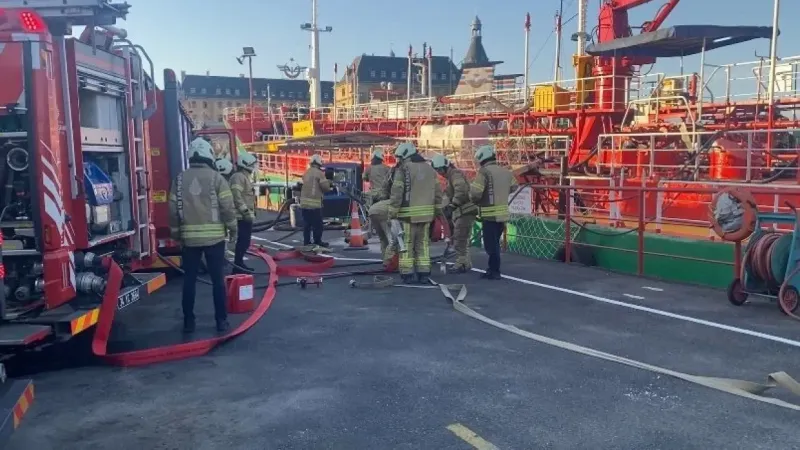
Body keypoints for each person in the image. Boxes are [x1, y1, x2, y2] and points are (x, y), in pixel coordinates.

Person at [169, 138, 237, 333]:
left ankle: (189, 322)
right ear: (209, 155)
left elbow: (173, 211)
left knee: (189, 281)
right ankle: (221, 321)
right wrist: (233, 230)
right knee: (217, 281)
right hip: (215, 240)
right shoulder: (217, 178)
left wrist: (176, 234)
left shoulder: (179, 180)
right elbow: (228, 208)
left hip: (189, 241)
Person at [388, 142, 443, 283]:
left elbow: (397, 192)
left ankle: (408, 274)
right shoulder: (430, 170)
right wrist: (437, 211)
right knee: (423, 244)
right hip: (426, 216)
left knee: (406, 244)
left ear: (405, 155)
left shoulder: (404, 169)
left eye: (399, 157)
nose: (398, 161)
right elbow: (438, 192)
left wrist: (392, 213)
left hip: (407, 216)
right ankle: (424, 273)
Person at [469, 144, 516, 280]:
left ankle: (494, 271)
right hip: (502, 214)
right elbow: (514, 186)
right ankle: (493, 269)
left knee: (491, 245)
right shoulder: (506, 172)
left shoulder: (484, 173)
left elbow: (476, 192)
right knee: (495, 242)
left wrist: (474, 200)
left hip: (489, 215)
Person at [431, 154, 478, 273]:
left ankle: (461, 264)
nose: (439, 173)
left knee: (459, 238)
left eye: (439, 170)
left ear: (445, 167)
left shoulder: (455, 175)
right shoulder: (452, 176)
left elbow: (461, 190)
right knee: (461, 238)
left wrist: (452, 205)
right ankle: (464, 263)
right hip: (463, 212)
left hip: (465, 211)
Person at [367, 158, 401, 267]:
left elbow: (364, 177)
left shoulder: (370, 168)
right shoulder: (388, 169)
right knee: (392, 239)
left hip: (374, 206)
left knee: (383, 238)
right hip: (384, 210)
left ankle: (385, 261)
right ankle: (389, 262)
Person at [229, 152, 258, 273]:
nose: (254, 167)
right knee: (243, 241)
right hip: (241, 216)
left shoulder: (243, 177)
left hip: (244, 215)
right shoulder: (239, 177)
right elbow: (236, 195)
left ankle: (239, 265)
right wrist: (245, 211)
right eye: (252, 164)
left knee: (244, 241)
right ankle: (238, 267)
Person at [299, 154, 332, 247]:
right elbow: (325, 188)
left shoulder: (306, 172)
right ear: (319, 163)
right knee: (318, 225)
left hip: (304, 203)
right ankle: (317, 242)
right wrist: (329, 185)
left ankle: (306, 242)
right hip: (314, 204)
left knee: (307, 224)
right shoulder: (319, 173)